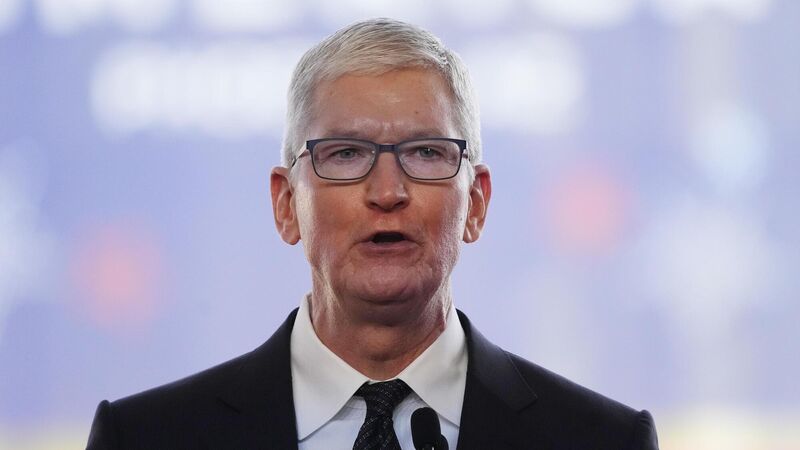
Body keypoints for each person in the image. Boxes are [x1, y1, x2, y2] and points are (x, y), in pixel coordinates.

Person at [86, 18, 658, 450]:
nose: (387, 191)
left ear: (476, 203)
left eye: (426, 152)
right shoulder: (144, 438)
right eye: (346, 154)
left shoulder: (603, 441)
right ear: (286, 205)